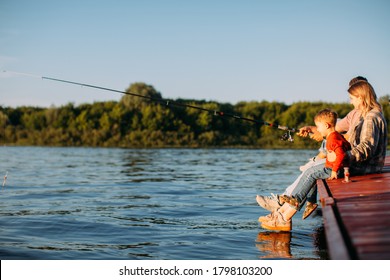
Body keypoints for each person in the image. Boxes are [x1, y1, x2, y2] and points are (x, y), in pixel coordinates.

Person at [258, 76, 387, 231]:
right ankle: (282, 212)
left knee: (312, 172)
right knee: (312, 170)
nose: (350, 102)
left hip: (363, 167)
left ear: (361, 97)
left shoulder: (371, 116)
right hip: (358, 163)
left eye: (352, 98)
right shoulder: (367, 114)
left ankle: (284, 217)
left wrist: (343, 156)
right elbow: (334, 130)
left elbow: (367, 148)